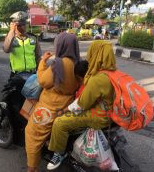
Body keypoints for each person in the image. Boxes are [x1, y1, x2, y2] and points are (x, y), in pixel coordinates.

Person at [47, 40, 116, 170]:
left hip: (98, 116)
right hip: (111, 113)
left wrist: (62, 112)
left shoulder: (98, 78)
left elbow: (82, 104)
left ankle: (59, 153)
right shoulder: (113, 73)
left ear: (95, 54)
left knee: (59, 123)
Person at [25, 32, 80, 172]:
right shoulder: (79, 64)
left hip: (49, 108)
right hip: (67, 106)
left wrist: (43, 62)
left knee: (32, 134)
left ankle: (32, 168)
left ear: (60, 45)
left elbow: (43, 81)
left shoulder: (58, 64)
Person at [3, 11, 42, 77]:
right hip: (16, 75)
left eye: (24, 24)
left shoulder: (33, 38)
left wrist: (40, 72)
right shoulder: (11, 38)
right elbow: (6, 49)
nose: (22, 27)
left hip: (32, 74)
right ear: (14, 26)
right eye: (19, 25)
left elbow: (38, 57)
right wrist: (11, 31)